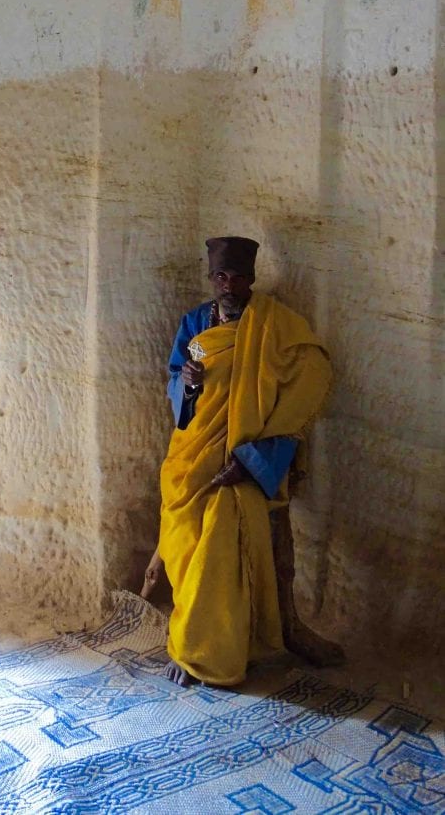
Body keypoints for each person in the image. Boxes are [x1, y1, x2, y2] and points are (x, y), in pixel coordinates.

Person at [158, 236, 331, 687]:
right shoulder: (196, 322)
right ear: (211, 278)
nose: (228, 284)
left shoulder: (275, 325)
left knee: (222, 550)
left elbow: (311, 378)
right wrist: (190, 384)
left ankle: (207, 650)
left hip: (248, 457)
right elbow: (177, 380)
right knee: (188, 547)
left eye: (237, 276)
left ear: (251, 279)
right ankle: (202, 638)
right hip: (194, 456)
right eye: (220, 276)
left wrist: (254, 461)